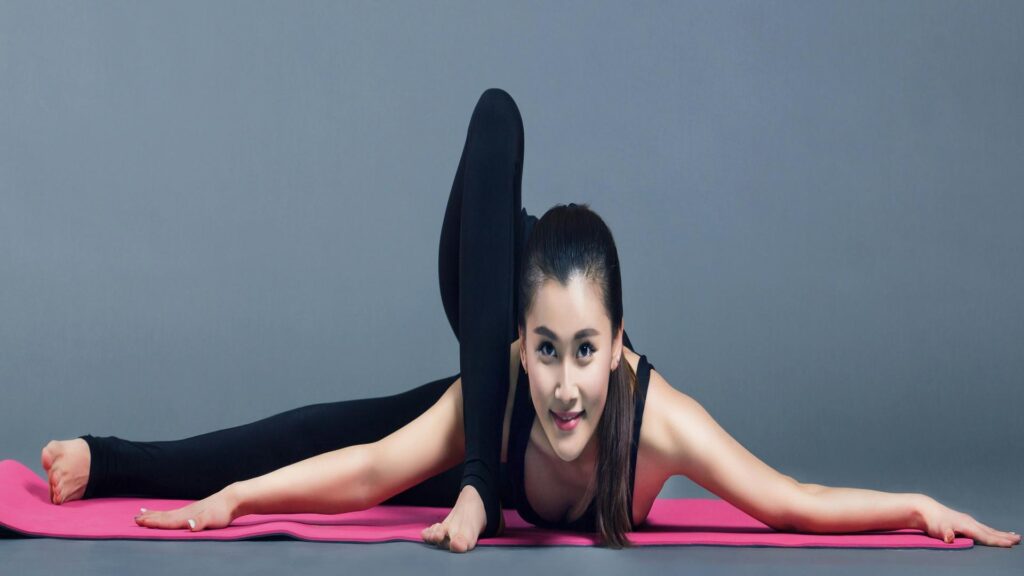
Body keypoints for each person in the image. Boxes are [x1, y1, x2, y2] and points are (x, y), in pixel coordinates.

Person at [40, 90, 1020, 553]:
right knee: (498, 115)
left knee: (335, 426)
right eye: (546, 352)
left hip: (512, 310)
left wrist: (916, 506)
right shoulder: (506, 381)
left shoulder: (655, 421)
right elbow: (370, 475)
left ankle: (103, 458)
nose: (562, 385)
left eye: (586, 354)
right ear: (520, 345)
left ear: (622, 346)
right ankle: (475, 465)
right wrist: (234, 503)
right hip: (482, 271)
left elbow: (788, 501)